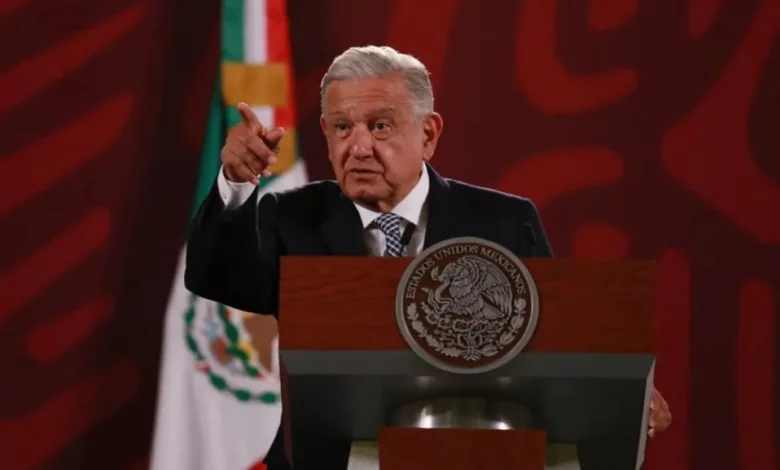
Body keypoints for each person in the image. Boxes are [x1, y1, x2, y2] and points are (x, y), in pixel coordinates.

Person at [185, 45, 671, 470]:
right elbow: (216, 278)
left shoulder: (504, 221)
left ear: (429, 133)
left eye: (380, 126)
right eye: (342, 128)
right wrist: (236, 185)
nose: (358, 147)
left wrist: (624, 393)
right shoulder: (291, 216)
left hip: (478, 456)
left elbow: (553, 341)